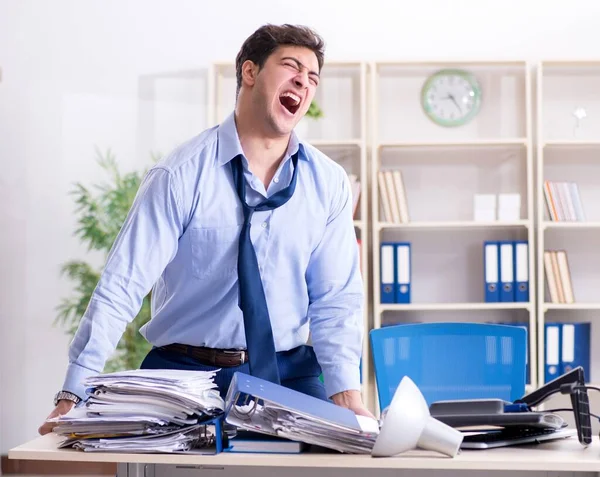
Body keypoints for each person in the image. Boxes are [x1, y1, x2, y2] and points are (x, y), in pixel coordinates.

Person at [39, 23, 372, 436]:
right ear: (250, 73)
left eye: (313, 77)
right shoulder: (179, 174)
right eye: (291, 66)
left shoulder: (329, 183)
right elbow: (122, 283)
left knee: (335, 456)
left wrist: (348, 397)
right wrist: (73, 393)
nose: (303, 81)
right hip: (184, 374)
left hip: (288, 371)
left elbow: (336, 298)